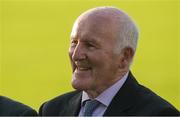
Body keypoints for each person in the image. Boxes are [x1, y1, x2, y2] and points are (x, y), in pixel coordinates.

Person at [39, 6, 179, 116]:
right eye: (74, 42)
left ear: (124, 57)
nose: (76, 55)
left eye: (90, 45)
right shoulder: (52, 110)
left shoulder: (158, 113)